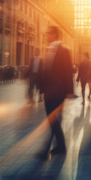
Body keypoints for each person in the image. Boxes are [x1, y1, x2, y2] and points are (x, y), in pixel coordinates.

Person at [37, 26, 74, 160]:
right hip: (48, 92)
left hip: (58, 92)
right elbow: (46, 71)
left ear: (54, 35)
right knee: (53, 119)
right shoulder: (48, 50)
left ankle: (45, 150)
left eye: (48, 33)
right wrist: (41, 89)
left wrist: (69, 91)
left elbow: (67, 71)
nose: (46, 36)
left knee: (53, 119)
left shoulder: (64, 51)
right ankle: (61, 146)